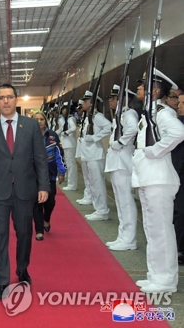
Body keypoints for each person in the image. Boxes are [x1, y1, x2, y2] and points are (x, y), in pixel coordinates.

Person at [0, 83, 49, 300]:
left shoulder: (31, 125)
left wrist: (43, 185)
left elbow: (41, 159)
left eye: (9, 97)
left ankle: (22, 269)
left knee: (24, 234)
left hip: (25, 191)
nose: (6, 101)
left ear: (16, 99)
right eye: (1, 97)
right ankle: (1, 281)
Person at [132, 69, 184, 293]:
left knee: (161, 230)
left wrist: (155, 151)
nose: (138, 89)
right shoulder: (149, 112)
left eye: (142, 86)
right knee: (152, 229)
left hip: (159, 179)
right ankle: (156, 275)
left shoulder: (161, 112)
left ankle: (165, 280)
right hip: (149, 178)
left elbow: (178, 133)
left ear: (154, 90)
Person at [104, 85, 139, 251]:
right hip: (117, 162)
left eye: (113, 97)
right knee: (120, 201)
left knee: (126, 202)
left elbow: (132, 129)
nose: (110, 101)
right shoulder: (120, 114)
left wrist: (120, 143)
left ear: (123, 99)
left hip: (123, 161)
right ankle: (123, 236)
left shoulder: (129, 113)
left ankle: (129, 238)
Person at [32, 111, 66, 241]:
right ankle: (39, 230)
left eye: (41, 119)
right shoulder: (27, 135)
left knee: (50, 201)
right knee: (36, 203)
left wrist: (62, 171)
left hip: (49, 174)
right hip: (33, 174)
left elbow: (59, 154)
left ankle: (46, 219)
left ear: (45, 121)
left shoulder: (52, 136)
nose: (39, 121)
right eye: (36, 119)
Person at [78, 91, 112, 221]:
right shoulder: (89, 117)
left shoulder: (97, 116)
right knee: (92, 182)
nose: (83, 103)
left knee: (97, 183)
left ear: (92, 103)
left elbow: (109, 127)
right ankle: (98, 207)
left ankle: (102, 211)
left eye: (86, 101)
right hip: (88, 154)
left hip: (95, 154)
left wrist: (95, 138)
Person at [58, 103, 78, 191]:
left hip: (70, 144)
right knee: (68, 164)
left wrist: (66, 132)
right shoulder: (65, 119)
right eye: (63, 109)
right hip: (66, 144)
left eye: (65, 109)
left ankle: (72, 184)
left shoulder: (70, 119)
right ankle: (70, 182)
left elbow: (74, 128)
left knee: (71, 165)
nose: (64, 111)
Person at [174, 93, 184, 264]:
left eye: (183, 103)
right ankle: (180, 248)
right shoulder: (179, 123)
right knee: (179, 211)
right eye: (179, 102)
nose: (179, 105)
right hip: (179, 173)